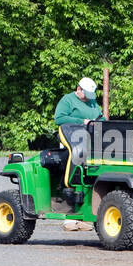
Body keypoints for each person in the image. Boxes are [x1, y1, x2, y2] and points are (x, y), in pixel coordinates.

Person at [53, 77, 103, 232]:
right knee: (74, 169)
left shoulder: (93, 103)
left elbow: (100, 117)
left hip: (91, 139)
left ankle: (83, 214)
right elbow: (59, 118)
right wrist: (83, 121)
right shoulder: (68, 100)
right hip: (72, 137)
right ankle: (69, 218)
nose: (88, 98)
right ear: (79, 89)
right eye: (86, 94)